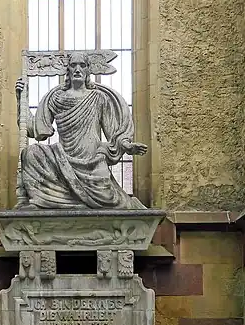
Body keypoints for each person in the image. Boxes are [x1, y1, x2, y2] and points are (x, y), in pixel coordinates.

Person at [16, 52, 147, 209]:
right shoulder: (56, 98)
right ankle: (44, 200)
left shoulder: (98, 98)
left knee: (110, 198)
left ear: (88, 71)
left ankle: (60, 201)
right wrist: (22, 100)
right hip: (61, 160)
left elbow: (113, 133)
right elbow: (35, 130)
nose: (77, 69)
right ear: (68, 71)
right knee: (30, 153)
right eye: (73, 65)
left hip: (92, 163)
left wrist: (127, 145)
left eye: (82, 65)